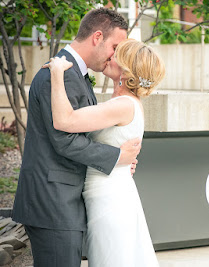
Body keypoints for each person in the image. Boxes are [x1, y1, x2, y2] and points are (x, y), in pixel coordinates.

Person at [12, 8, 141, 267]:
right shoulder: (58, 75)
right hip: (54, 204)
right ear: (96, 37)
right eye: (114, 46)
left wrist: (120, 158)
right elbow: (64, 139)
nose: (115, 56)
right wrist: (117, 156)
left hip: (64, 201)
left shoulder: (75, 75)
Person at [44, 39, 165, 266]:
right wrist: (118, 158)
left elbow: (64, 121)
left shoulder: (123, 105)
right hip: (110, 195)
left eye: (118, 55)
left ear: (127, 70)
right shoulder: (126, 103)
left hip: (110, 203)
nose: (110, 56)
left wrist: (57, 73)